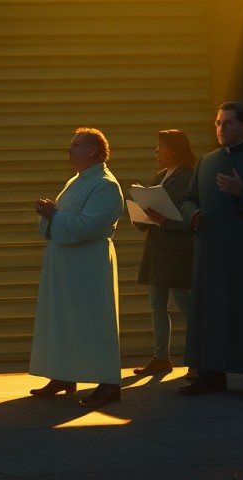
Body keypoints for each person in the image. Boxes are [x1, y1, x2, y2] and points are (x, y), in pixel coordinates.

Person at [177, 101, 243, 403]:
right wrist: (192, 213)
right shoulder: (206, 161)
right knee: (210, 313)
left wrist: (242, 192)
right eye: (218, 123)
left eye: (228, 123)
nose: (221, 128)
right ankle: (209, 375)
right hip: (210, 253)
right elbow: (187, 198)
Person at [28, 127, 124, 409]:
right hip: (66, 262)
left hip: (88, 264)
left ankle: (109, 384)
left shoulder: (105, 185)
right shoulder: (77, 180)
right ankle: (64, 375)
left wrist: (54, 215)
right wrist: (49, 213)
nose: (69, 149)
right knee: (63, 318)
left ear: (93, 150)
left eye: (76, 145)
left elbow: (87, 225)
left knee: (94, 321)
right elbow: (64, 217)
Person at [131, 129, 196, 377]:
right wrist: (141, 216)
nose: (157, 150)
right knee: (157, 305)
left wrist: (167, 222)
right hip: (157, 249)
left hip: (177, 251)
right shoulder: (161, 176)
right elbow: (154, 209)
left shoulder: (189, 177)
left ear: (175, 150)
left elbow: (193, 218)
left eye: (161, 146)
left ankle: (199, 359)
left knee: (185, 305)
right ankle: (161, 357)